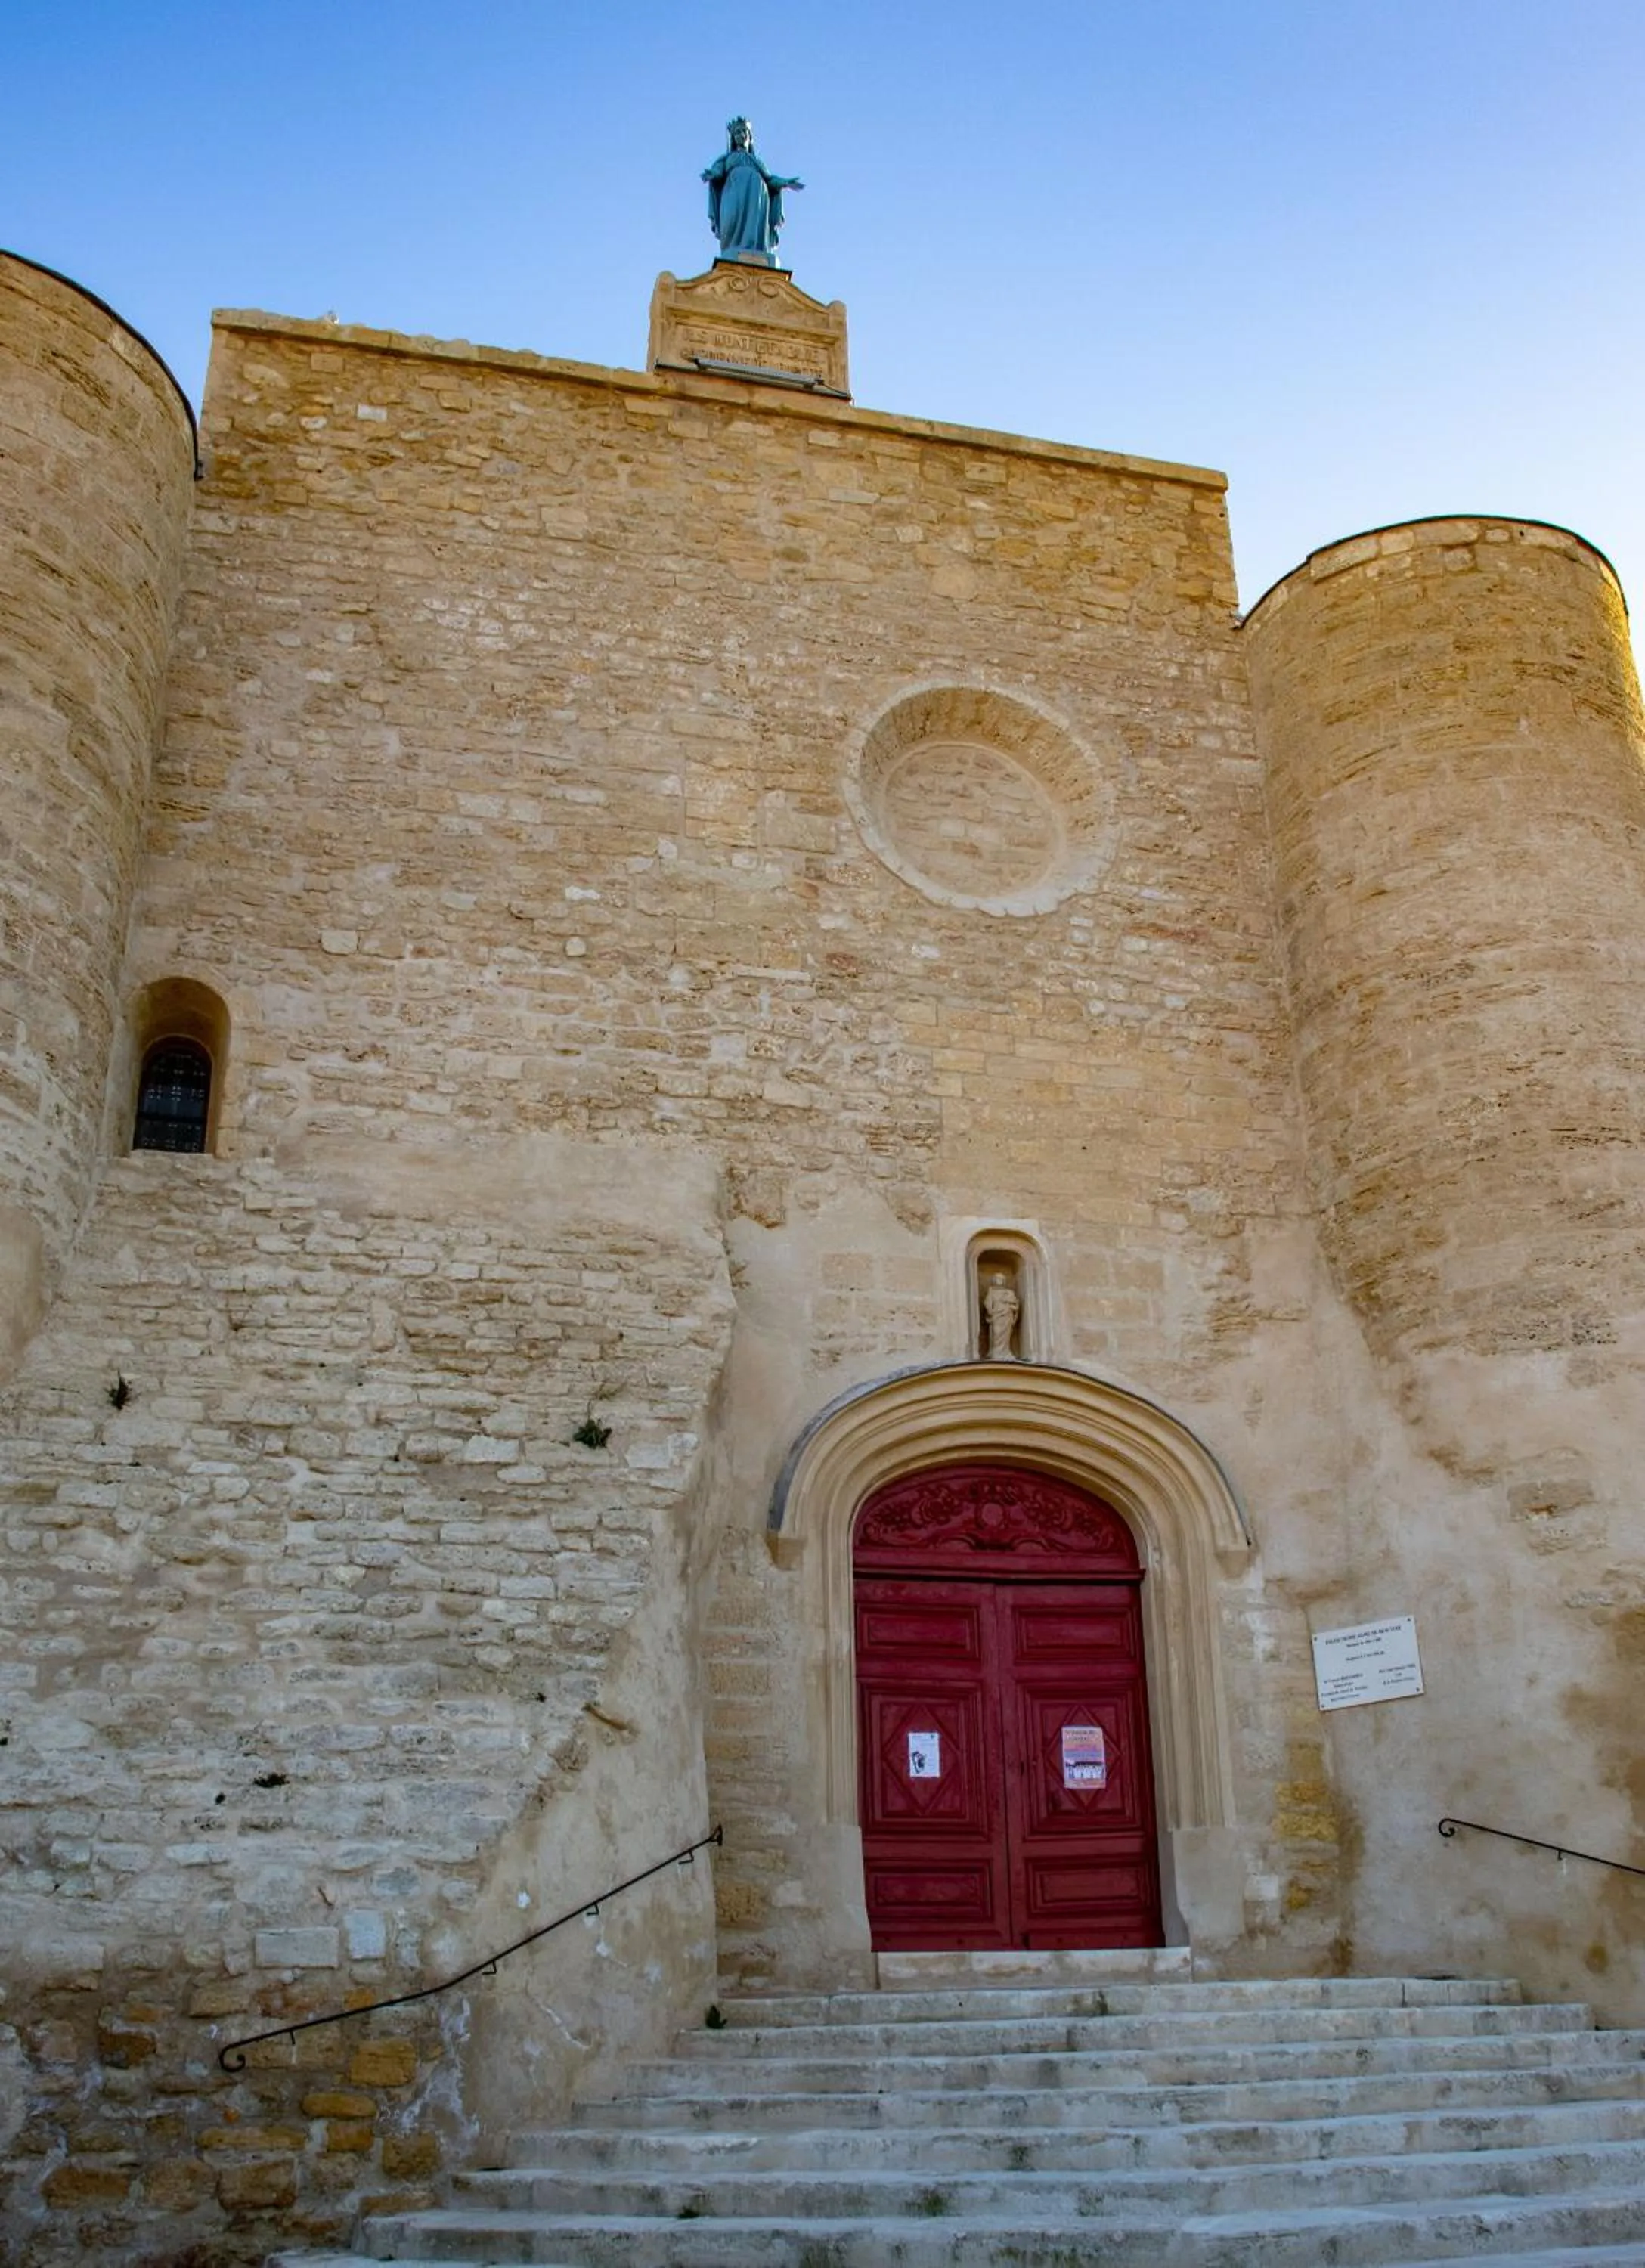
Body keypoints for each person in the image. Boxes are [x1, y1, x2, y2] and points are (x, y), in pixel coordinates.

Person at [702, 118, 803, 266]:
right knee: (731, 219)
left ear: (750, 136)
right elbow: (718, 171)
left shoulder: (757, 162)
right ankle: (732, 249)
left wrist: (785, 183)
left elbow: (770, 179)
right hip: (734, 192)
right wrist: (712, 174)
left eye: (744, 131)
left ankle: (757, 252)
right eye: (737, 132)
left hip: (757, 197)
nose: (741, 135)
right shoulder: (727, 159)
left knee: (755, 225)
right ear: (733, 138)